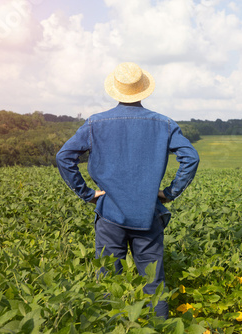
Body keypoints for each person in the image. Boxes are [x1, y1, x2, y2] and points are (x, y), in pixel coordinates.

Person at [56, 62, 199, 319]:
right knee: (154, 284)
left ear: (116, 90)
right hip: (148, 214)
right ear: (143, 90)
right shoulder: (164, 124)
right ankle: (158, 328)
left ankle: (111, 326)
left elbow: (64, 156)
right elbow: (191, 158)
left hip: (110, 213)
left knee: (109, 281)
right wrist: (170, 192)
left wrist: (87, 194)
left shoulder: (95, 123)